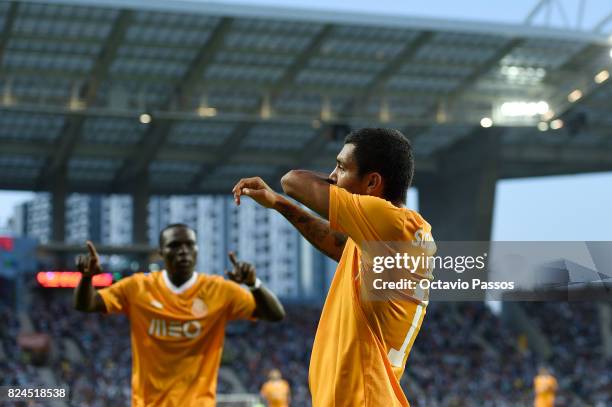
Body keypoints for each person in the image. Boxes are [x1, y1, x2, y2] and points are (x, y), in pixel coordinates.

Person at [232, 128, 435, 406]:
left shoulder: (388, 222)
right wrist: (279, 203)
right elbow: (337, 244)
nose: (332, 176)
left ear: (372, 183)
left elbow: (293, 181)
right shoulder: (386, 235)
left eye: (341, 167)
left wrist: (289, 192)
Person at [73, 223, 285, 407]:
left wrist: (253, 284)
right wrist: (85, 278)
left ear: (197, 250)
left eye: (189, 244)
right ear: (161, 252)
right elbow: (87, 304)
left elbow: (275, 314)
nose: (183, 251)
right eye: (174, 245)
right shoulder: (138, 287)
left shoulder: (219, 290)